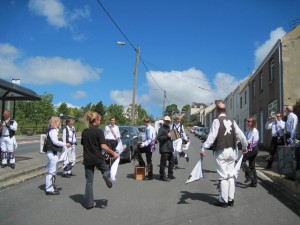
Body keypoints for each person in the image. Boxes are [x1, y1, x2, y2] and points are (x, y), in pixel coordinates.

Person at [200, 101, 248, 207]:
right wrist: (244, 147)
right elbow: (242, 136)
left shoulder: (217, 121)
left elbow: (211, 137)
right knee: (231, 175)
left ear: (217, 110)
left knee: (223, 177)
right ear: (225, 110)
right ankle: (231, 199)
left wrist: (203, 148)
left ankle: (223, 200)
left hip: (221, 151)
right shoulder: (232, 121)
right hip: (232, 151)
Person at [81, 111, 119, 210]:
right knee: (107, 171)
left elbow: (83, 144)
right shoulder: (99, 132)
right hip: (97, 158)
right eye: (99, 119)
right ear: (96, 120)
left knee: (89, 181)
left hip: (87, 159)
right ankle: (105, 176)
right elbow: (103, 146)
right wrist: (113, 153)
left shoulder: (85, 132)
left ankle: (89, 204)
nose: (100, 121)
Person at [44, 117, 71, 195]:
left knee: (53, 170)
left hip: (53, 152)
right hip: (53, 152)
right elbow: (55, 141)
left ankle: (51, 186)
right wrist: (65, 144)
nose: (60, 124)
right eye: (59, 122)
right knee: (52, 171)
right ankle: (49, 189)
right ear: (55, 122)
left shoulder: (52, 130)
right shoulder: (52, 130)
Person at [242, 117, 259, 187]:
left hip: (253, 148)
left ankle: (249, 175)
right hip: (250, 148)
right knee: (252, 166)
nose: (247, 122)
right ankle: (254, 182)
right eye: (247, 121)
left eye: (249, 121)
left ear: (253, 123)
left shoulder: (254, 131)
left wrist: (242, 141)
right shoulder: (248, 130)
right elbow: (245, 138)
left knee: (242, 162)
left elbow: (250, 141)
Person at [157, 116, 175, 181]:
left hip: (170, 148)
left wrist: (173, 136)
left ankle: (170, 175)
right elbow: (159, 138)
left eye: (168, 121)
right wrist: (167, 136)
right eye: (166, 121)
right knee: (163, 164)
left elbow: (171, 137)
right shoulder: (161, 129)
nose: (167, 122)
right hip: (164, 148)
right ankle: (162, 176)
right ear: (164, 121)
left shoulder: (169, 128)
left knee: (172, 162)